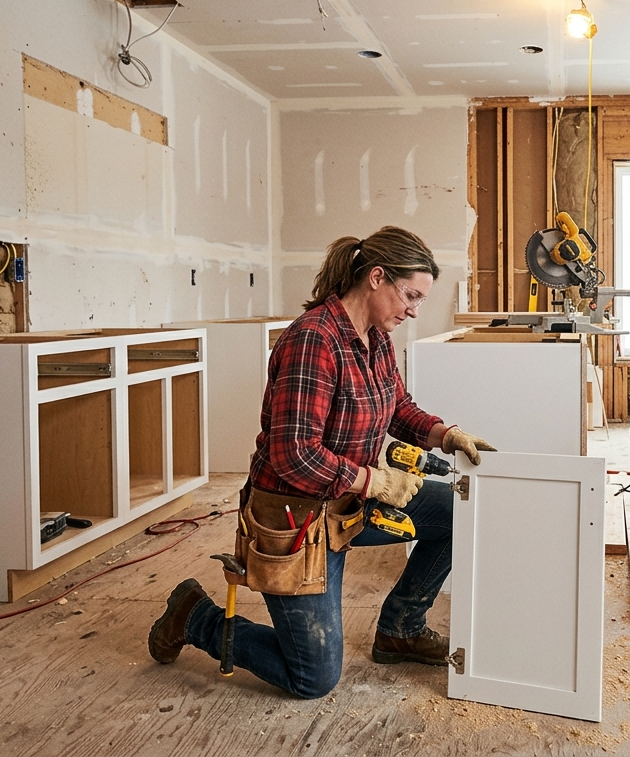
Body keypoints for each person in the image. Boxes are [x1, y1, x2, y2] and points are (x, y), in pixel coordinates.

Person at [146, 226, 495, 698]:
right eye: (409, 295)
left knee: (459, 512)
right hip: (296, 520)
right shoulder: (313, 342)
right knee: (312, 677)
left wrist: (444, 433)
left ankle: (401, 628)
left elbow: (397, 407)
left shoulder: (376, 341)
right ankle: (196, 617)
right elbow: (293, 457)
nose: (413, 310)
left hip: (349, 502)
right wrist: (374, 481)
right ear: (376, 278)